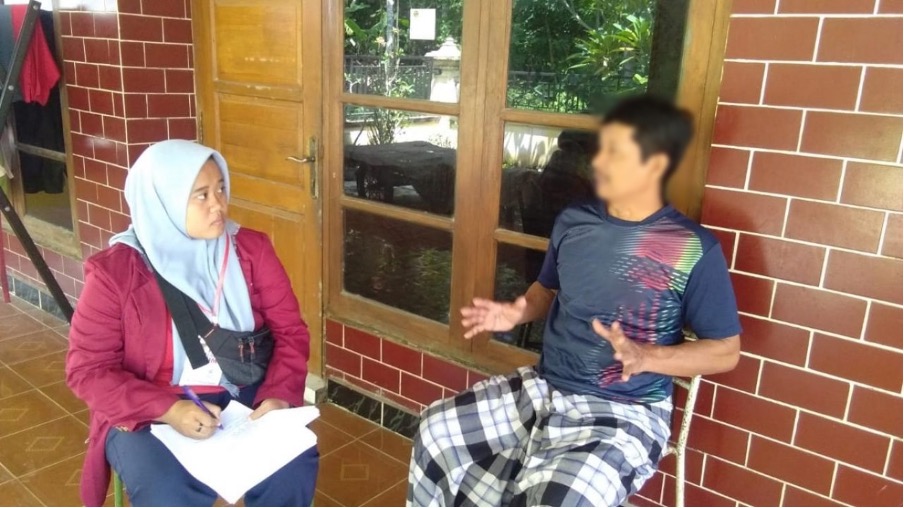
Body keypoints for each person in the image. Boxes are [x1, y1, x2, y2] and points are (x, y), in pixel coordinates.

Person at [408, 95, 742, 507]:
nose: (598, 162)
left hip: (625, 409)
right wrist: (516, 311)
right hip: (544, 388)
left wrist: (647, 357)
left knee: (561, 500)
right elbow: (546, 290)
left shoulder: (692, 248)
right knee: (436, 432)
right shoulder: (573, 220)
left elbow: (726, 351)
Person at [66, 140, 318, 507]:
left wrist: (278, 394)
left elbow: (290, 332)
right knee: (168, 491)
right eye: (201, 195)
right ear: (163, 200)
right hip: (150, 406)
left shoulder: (251, 251)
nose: (219, 204)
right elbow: (87, 371)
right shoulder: (115, 274)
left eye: (221, 189)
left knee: (291, 465)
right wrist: (168, 410)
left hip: (244, 391)